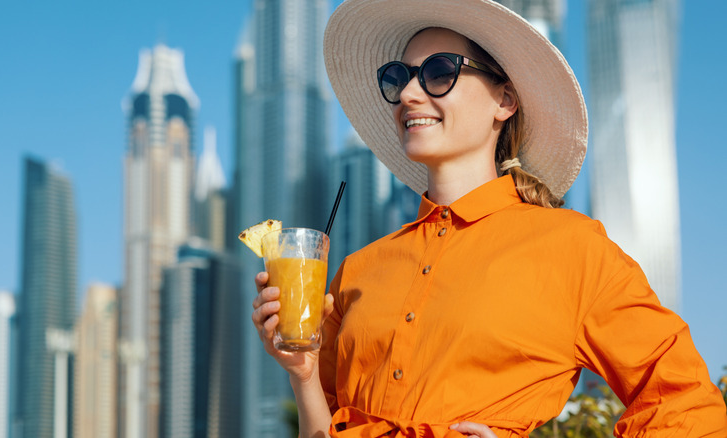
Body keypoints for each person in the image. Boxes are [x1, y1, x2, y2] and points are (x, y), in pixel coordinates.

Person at [251, 0, 727, 436]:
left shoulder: (572, 250)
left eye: (439, 72)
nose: (410, 93)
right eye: (400, 77)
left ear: (505, 100)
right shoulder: (357, 271)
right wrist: (305, 376)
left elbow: (688, 407)